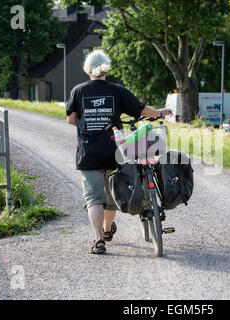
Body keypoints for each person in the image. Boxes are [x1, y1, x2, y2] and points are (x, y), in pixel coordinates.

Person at [66, 49, 172, 254]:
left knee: (93, 198)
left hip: (88, 153)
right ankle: (107, 230)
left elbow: (71, 119)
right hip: (114, 151)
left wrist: (89, 127)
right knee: (111, 196)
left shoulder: (78, 91)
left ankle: (99, 240)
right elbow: (141, 110)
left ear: (87, 69)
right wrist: (160, 112)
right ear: (106, 67)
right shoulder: (117, 90)